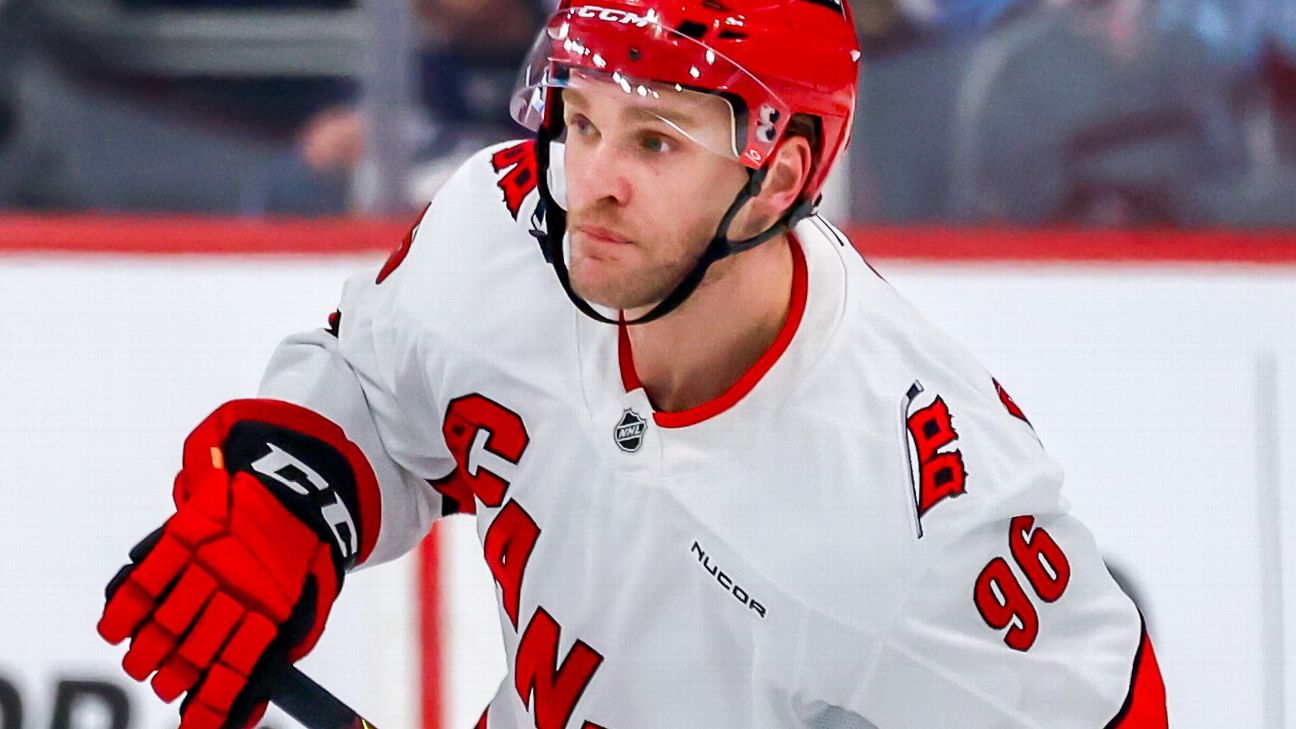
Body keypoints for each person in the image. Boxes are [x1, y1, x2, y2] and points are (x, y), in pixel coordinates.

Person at [96, 0, 1169, 726]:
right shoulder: (503, 228)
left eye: (655, 140)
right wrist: (288, 506)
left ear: (781, 172)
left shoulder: (924, 510)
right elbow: (381, 387)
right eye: (581, 119)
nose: (591, 182)